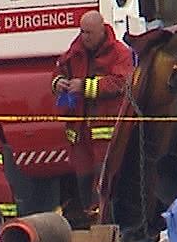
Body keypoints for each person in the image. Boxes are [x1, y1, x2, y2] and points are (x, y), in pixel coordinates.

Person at [52, 11, 134, 219]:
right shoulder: (76, 48)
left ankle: (105, 224)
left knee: (104, 181)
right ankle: (89, 223)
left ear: (101, 30)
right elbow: (60, 69)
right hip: (80, 133)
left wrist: (85, 86)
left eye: (89, 33)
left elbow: (120, 82)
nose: (84, 37)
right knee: (83, 181)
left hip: (103, 133)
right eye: (82, 32)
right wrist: (58, 82)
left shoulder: (119, 53)